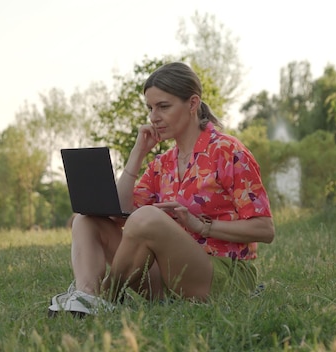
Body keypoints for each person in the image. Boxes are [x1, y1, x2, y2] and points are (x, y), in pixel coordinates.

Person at [48, 62, 275, 317]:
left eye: (163, 106)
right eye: (150, 108)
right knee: (86, 220)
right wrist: (137, 153)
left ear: (192, 104)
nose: (154, 117)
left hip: (222, 275)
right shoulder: (163, 163)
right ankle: (87, 296)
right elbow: (118, 213)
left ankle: (106, 298)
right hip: (169, 275)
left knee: (146, 217)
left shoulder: (227, 152)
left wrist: (203, 227)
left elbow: (265, 230)